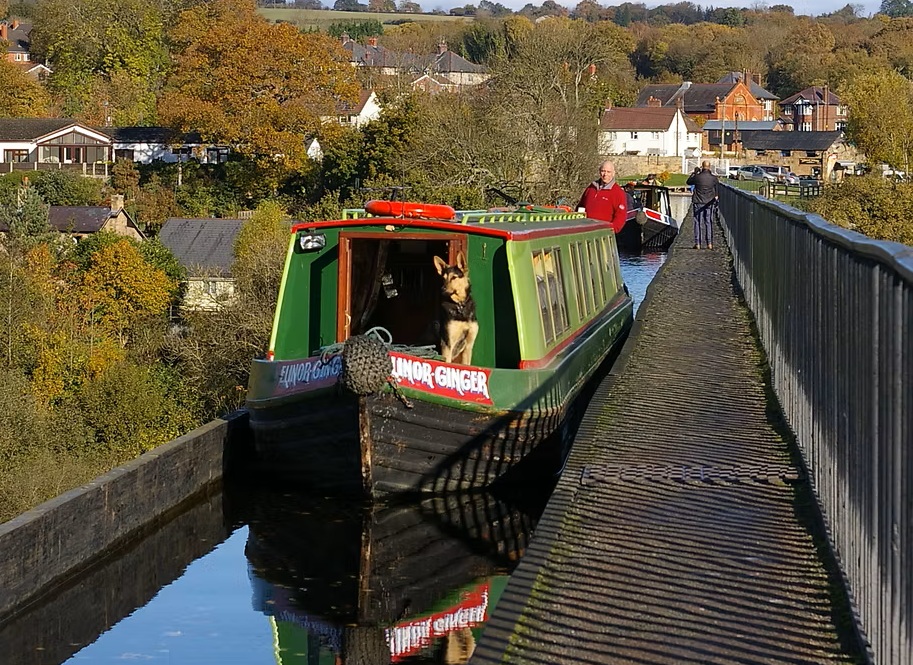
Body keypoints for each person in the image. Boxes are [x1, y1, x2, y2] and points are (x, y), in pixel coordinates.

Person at [577, 160, 627, 233]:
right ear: (599, 172)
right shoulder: (591, 188)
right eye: (603, 171)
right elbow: (580, 206)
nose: (605, 174)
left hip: (603, 234)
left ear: (613, 173)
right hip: (586, 231)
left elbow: (621, 216)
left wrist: (611, 231)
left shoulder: (618, 192)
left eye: (608, 172)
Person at [686, 160, 719, 249]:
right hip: (709, 202)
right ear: (709, 167)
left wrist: (694, 173)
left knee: (697, 222)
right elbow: (717, 190)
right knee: (708, 222)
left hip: (698, 201)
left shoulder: (697, 177)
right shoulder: (713, 178)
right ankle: (709, 243)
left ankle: (698, 243)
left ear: (702, 166)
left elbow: (688, 182)